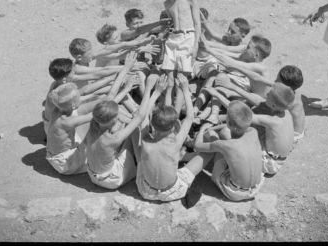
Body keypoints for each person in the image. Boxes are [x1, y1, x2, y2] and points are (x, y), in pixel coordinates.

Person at [85, 57, 167, 190]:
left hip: (92, 173)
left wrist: (125, 71)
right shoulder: (113, 138)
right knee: (135, 129)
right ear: (112, 119)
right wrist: (153, 91)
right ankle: (140, 163)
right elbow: (140, 116)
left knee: (129, 123)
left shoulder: (94, 122)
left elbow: (110, 97)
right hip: (111, 179)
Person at [133, 74, 212, 202]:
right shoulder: (176, 142)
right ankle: (183, 157)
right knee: (209, 152)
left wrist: (155, 91)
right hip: (172, 191)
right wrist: (186, 89)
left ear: (152, 123)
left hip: (146, 191)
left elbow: (143, 114)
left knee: (137, 138)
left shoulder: (146, 139)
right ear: (173, 128)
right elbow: (189, 117)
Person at [193, 101, 264, 201]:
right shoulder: (253, 131)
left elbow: (197, 146)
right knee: (225, 138)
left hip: (236, 193)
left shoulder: (225, 145)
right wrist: (214, 126)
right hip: (256, 187)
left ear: (229, 123)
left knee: (216, 141)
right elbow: (230, 128)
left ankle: (216, 178)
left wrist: (203, 129)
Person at [45, 83, 99, 175]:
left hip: (54, 156)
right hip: (65, 163)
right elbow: (93, 116)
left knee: (81, 124)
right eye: (79, 98)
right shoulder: (67, 122)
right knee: (96, 123)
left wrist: (93, 96)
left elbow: (76, 103)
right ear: (73, 105)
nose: (81, 98)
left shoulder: (57, 110)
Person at [42, 58, 73, 138]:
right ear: (64, 79)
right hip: (53, 128)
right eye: (72, 72)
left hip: (47, 122)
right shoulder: (62, 93)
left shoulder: (55, 83)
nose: (74, 73)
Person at [276, 65, 306, 143]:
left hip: (293, 135)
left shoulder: (287, 99)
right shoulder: (295, 92)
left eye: (277, 81)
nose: (274, 81)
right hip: (299, 131)